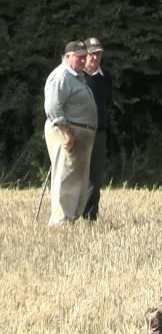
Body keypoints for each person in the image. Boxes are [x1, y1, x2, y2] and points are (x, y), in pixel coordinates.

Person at [43, 41, 97, 226]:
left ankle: (70, 219)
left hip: (80, 134)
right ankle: (60, 222)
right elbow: (52, 105)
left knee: (77, 179)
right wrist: (66, 132)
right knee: (65, 176)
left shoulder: (77, 76)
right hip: (68, 133)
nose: (83, 60)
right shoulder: (61, 76)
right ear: (67, 57)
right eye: (79, 57)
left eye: (84, 56)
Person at [82, 37, 113, 221]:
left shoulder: (106, 76)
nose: (95, 58)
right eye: (92, 54)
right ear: (84, 55)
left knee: (95, 177)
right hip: (78, 131)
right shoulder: (77, 76)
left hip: (99, 131)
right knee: (75, 174)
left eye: (98, 54)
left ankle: (90, 216)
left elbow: (107, 100)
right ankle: (69, 215)